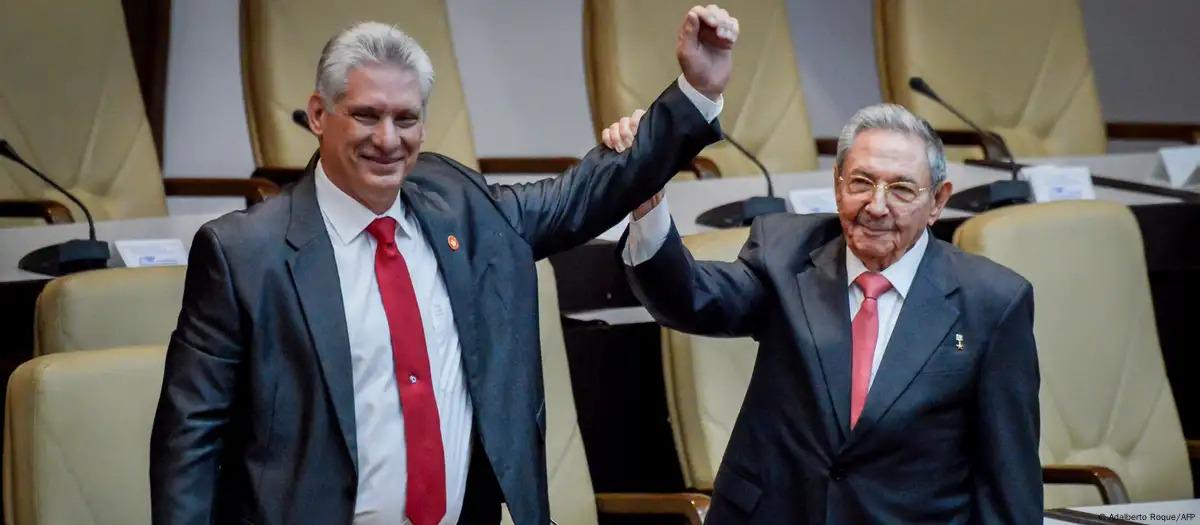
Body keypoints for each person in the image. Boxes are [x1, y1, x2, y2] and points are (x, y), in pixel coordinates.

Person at [150, 5, 740, 524]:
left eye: (406, 119)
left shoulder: (460, 207)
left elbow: (584, 194)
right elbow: (189, 442)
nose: (388, 139)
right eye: (366, 115)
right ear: (319, 114)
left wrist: (694, 91)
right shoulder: (244, 253)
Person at [606, 103, 1041, 523]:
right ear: (837, 185)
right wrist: (648, 201)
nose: (876, 206)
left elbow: (1007, 479)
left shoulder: (991, 301)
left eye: (902, 189)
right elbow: (690, 298)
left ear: (938, 202)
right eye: (861, 183)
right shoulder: (785, 253)